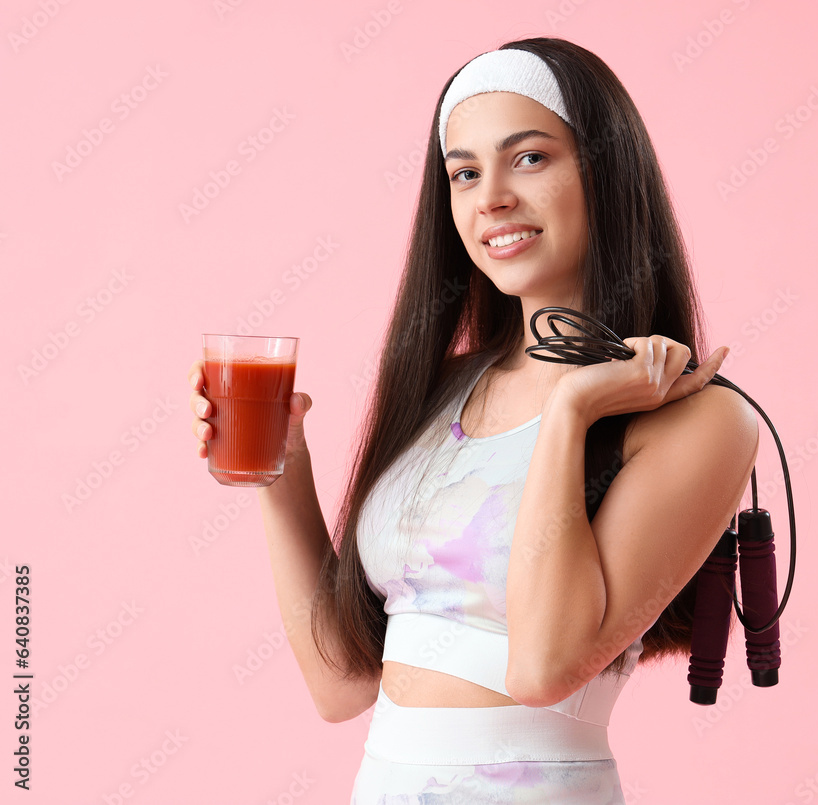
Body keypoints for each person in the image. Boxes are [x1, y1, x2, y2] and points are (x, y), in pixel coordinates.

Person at [188, 37, 758, 804]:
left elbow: (543, 667)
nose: (489, 197)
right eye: (463, 172)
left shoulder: (703, 422)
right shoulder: (447, 390)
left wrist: (572, 408)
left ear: (606, 170)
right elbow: (342, 683)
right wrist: (280, 464)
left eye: (528, 158)